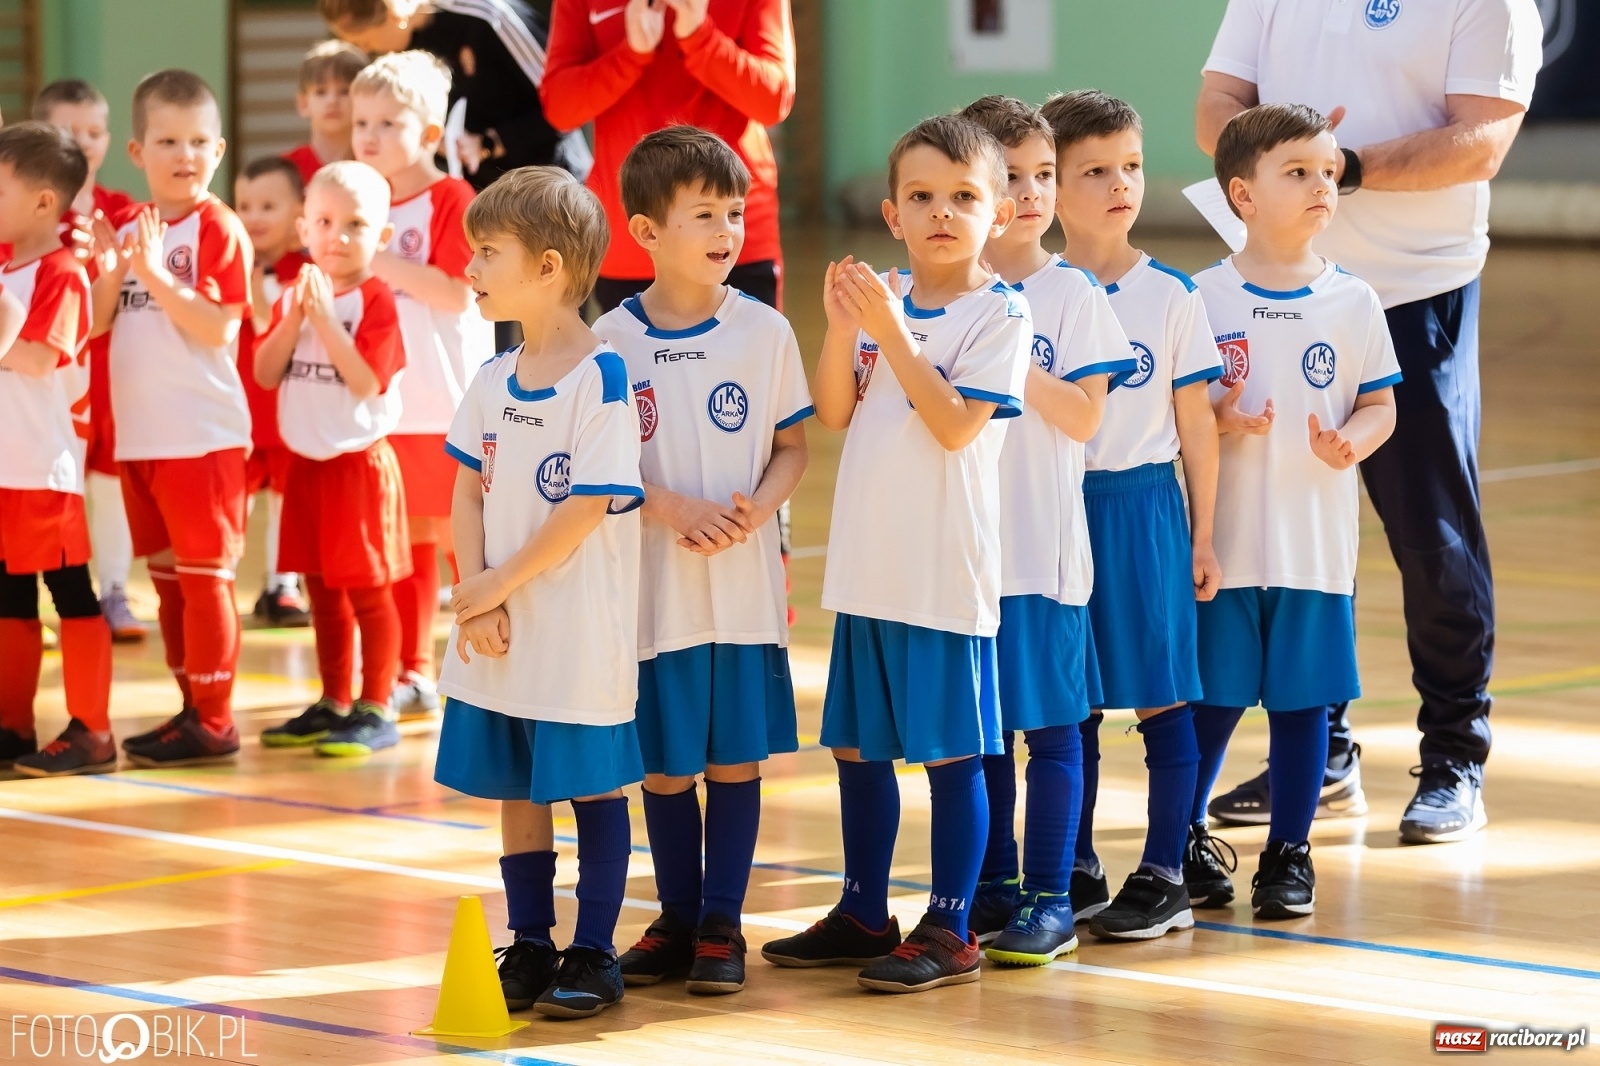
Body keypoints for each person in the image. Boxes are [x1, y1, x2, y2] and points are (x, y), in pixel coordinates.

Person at [1196, 0, 1544, 844]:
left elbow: (1481, 141)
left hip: (1413, 290)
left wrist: (1338, 168)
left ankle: (1455, 754)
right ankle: (1322, 756)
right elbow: (1217, 107)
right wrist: (1277, 166)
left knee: (1431, 535)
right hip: (1285, 289)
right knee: (1295, 529)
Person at [760, 116, 1029, 994]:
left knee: (953, 752)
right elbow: (835, 410)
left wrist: (891, 330)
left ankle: (952, 926)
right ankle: (864, 909)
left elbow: (954, 425)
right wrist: (845, 328)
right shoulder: (885, 301)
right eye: (922, 196)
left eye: (964, 196)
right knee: (858, 749)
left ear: (1001, 212)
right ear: (892, 212)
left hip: (945, 571)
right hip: (870, 567)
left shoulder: (1001, 313)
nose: (942, 212)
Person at [595, 127, 811, 995]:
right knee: (664, 764)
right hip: (655, 592)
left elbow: (793, 448)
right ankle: (677, 916)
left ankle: (723, 920)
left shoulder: (763, 331)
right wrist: (669, 508)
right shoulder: (610, 340)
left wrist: (757, 508)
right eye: (704, 215)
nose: (727, 230)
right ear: (646, 233)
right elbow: (603, 470)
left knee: (734, 762)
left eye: (734, 211)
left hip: (743, 587)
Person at [435, 166, 642, 1019]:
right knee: (518, 791)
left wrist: (495, 587)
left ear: (549, 265)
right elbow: (464, 493)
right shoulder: (490, 378)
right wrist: (476, 599)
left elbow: (587, 507)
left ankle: (595, 952)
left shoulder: (603, 377)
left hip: (573, 629)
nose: (472, 269)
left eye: (488, 253)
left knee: (593, 788)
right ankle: (530, 942)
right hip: (500, 623)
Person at [1192, 103, 1400, 918]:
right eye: (1299, 172)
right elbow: (1180, 410)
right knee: (1211, 699)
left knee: (1303, 702)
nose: (1324, 185)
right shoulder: (1201, 297)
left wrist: (1352, 440)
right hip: (1226, 542)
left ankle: (1289, 852)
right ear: (1242, 194)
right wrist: (1216, 414)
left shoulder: (1353, 301)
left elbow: (1382, 406)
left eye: (1329, 172)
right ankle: (1180, 838)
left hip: (1315, 549)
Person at [1043, 89, 1231, 940]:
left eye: (1131, 166)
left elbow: (1197, 424)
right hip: (1057, 507)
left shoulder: (1171, 295)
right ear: (1048, 186)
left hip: (1144, 508)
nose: (1121, 184)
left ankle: (1164, 869)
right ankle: (1073, 862)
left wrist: (1203, 534)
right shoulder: (1034, 294)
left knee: (1161, 693)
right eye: (1094, 170)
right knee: (1067, 699)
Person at [954, 96, 1132, 967]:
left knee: (1051, 731)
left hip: (1044, 553)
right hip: (964, 556)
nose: (1028, 194)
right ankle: (992, 882)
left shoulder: (1073, 296)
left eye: (1042, 176)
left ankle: (1054, 898)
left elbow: (1086, 418)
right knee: (983, 731)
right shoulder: (944, 291)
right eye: (1009, 177)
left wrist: (1007, 351)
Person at [91, 70, 252, 768]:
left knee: (206, 579)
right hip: (142, 438)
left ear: (217, 150)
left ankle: (215, 719)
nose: (183, 154)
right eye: (167, 140)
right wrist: (107, 265)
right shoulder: (131, 228)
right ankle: (189, 707)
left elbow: (217, 328)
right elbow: (97, 323)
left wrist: (153, 273)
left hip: (202, 438)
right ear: (137, 151)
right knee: (165, 584)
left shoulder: (217, 226)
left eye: (196, 142)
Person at [351, 51, 494, 718]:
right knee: (404, 542)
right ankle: (413, 670)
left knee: (465, 540)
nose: (369, 136)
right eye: (361, 123)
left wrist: (372, 255)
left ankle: (488, 661)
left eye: (387, 122)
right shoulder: (359, 202)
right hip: (386, 407)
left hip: (447, 405)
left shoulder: (451, 199)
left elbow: (452, 289)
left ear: (431, 135)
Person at [255, 162, 410, 756]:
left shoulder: (375, 300)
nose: (338, 236)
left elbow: (368, 380)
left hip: (356, 465)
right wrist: (297, 315)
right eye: (324, 222)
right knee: (320, 589)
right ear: (303, 228)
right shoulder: (298, 294)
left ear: (383, 236)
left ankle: (377, 704)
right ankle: (333, 699)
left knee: (368, 590)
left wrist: (322, 318)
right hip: (307, 466)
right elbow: (266, 373)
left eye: (355, 224)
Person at [542, 0, 795, 311]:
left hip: (734, 237)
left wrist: (700, 37)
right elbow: (559, 108)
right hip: (631, 242)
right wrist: (630, 54)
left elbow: (775, 100)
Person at [0, 122, 116, 778]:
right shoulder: (6, 267)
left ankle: (92, 729)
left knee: (70, 590)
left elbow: (42, 359)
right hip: (3, 466)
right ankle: (12, 723)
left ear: (45, 201)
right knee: (7, 596)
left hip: (44, 466)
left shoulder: (62, 274)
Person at [32, 79, 144, 642]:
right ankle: (35, 593)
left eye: (94, 131)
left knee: (109, 485)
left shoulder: (124, 212)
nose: (82, 142)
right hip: (47, 380)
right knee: (48, 484)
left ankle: (117, 590)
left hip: (114, 372)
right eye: (66, 131)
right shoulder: (25, 219)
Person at [320, 0, 586, 188]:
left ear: (393, 15)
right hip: (479, 196)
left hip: (551, 185)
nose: (367, 51)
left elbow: (572, 103)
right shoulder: (399, 48)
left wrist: (489, 143)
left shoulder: (487, 16)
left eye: (365, 42)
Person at [234, 156, 312, 627]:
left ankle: (282, 583)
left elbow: (269, 320)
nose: (254, 216)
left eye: (268, 205)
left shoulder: (303, 270)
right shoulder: (228, 259)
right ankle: (220, 573)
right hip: (239, 412)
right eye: (244, 205)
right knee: (232, 501)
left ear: (299, 213)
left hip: (285, 412)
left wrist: (254, 281)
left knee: (287, 501)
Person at [283, 40, 368, 186]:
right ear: (303, 103)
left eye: (344, 91)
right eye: (320, 92)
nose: (332, 101)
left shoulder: (376, 165)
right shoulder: (284, 172)